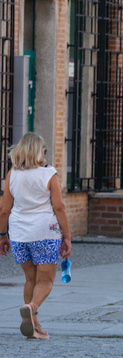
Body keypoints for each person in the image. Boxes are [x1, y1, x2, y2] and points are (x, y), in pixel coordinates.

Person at [0, 132, 72, 339]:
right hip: (45, 232)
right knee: (46, 281)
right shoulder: (49, 174)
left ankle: (34, 324)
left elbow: (4, 209)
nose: (45, 154)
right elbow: (58, 206)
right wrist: (66, 236)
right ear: (38, 152)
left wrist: (2, 235)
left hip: (19, 234)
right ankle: (32, 307)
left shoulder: (12, 174)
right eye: (44, 150)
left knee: (30, 278)